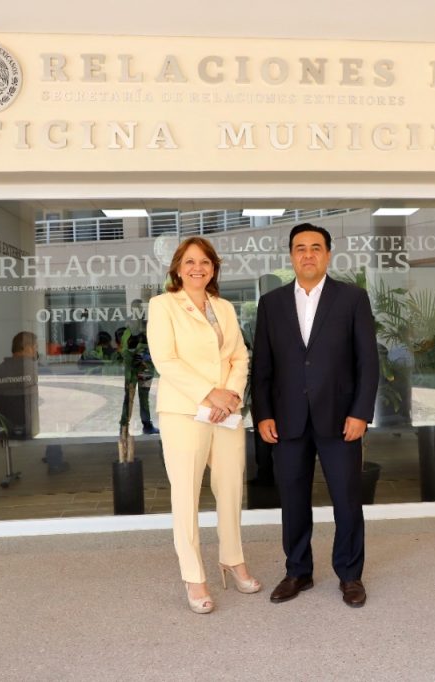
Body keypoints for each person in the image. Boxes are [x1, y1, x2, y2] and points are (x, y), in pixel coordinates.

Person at [252, 223, 379, 608]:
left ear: (328, 254)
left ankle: (350, 575)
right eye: (300, 248)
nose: (308, 254)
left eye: (315, 247)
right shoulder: (271, 303)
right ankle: (298, 571)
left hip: (341, 420)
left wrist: (360, 413)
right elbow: (262, 366)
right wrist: (263, 414)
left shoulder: (352, 298)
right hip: (287, 420)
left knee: (347, 500)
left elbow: (368, 361)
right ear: (291, 256)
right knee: (293, 500)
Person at [147, 236, 259, 614]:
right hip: (184, 412)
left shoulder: (224, 307)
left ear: (214, 269)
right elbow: (166, 360)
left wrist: (231, 395)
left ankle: (233, 559)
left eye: (205, 262)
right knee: (186, 496)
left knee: (230, 489)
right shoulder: (163, 305)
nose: (198, 268)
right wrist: (210, 395)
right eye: (190, 262)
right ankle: (194, 576)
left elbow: (239, 356)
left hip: (226, 412)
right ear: (178, 268)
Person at [0, 331, 41, 440]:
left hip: (4, 432)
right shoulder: (33, 372)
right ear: (27, 348)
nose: (36, 351)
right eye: (35, 347)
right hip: (30, 431)